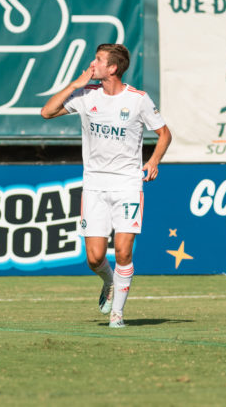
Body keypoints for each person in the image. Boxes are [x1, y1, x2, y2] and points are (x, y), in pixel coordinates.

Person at [41, 44, 172, 328]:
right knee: (94, 258)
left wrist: (154, 161)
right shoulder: (86, 95)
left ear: (112, 68)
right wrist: (75, 84)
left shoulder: (138, 99)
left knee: (124, 251)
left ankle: (118, 315)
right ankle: (109, 281)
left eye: (98, 60)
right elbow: (47, 112)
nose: (93, 63)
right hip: (95, 184)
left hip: (127, 183)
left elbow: (164, 133)